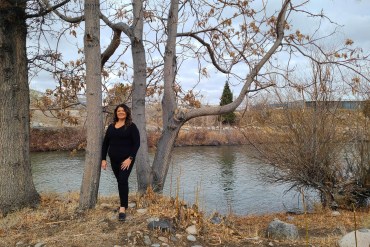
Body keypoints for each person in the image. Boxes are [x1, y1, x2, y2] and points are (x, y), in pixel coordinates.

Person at [101, 103, 140, 221]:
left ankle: (122, 208)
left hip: (126, 160)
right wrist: (103, 159)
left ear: (127, 112)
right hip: (113, 159)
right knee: (120, 181)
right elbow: (105, 144)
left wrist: (130, 158)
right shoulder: (111, 127)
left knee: (123, 180)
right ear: (116, 113)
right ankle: (125, 202)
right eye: (118, 111)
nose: (121, 112)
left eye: (123, 110)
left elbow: (137, 143)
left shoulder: (131, 126)